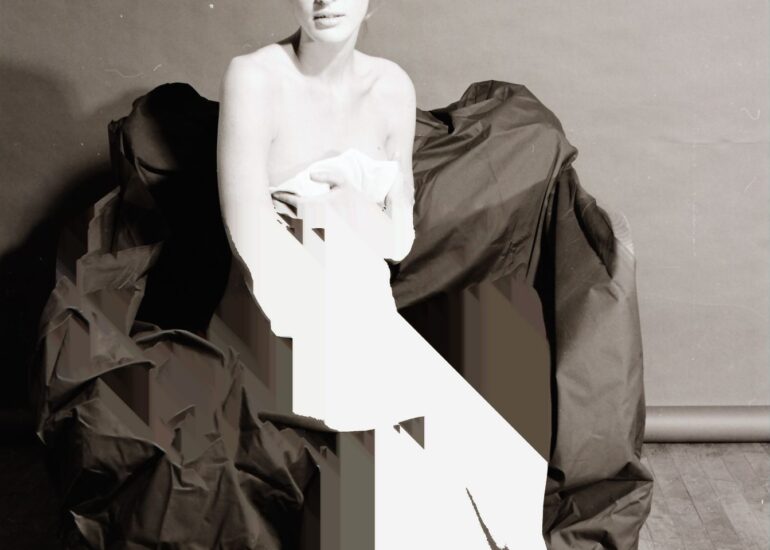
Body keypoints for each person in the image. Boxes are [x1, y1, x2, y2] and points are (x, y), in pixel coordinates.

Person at [217, 0, 417, 286]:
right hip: (274, 298)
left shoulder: (393, 85)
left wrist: (358, 213)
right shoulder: (253, 77)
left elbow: (400, 243)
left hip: (365, 295)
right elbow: (251, 245)